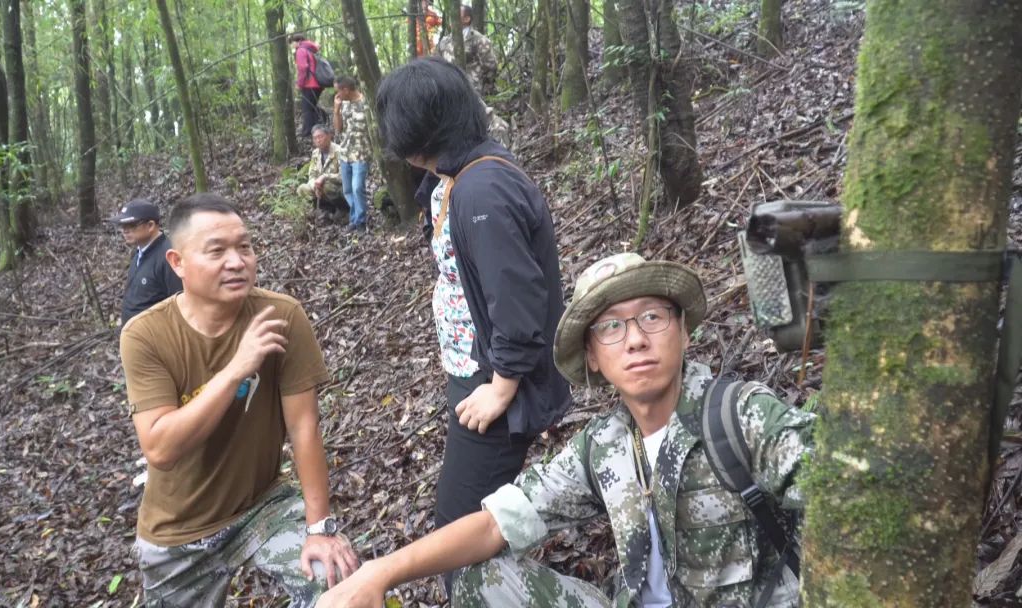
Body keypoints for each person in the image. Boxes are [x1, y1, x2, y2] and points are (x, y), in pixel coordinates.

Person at [316, 252, 816, 608]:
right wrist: (379, 572)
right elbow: (494, 524)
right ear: (593, 357)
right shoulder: (604, 446)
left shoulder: (739, 414)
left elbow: (842, 483)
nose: (636, 340)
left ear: (683, 332)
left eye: (652, 317)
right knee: (481, 576)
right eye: (611, 327)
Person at [374, 57, 571, 591]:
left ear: (415, 130)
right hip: (476, 373)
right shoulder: (456, 178)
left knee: (458, 531)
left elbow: (517, 297)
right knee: (470, 516)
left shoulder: (483, 188)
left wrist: (502, 386)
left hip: (497, 384)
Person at [119, 193, 358, 607]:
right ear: (177, 263)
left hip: (262, 506)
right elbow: (160, 448)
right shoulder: (145, 335)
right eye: (217, 251)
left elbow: (304, 427)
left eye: (244, 247)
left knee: (342, 584)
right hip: (178, 529)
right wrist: (236, 369)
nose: (237, 261)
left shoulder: (281, 316)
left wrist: (320, 528)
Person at [107, 199, 182, 326]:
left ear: (150, 225)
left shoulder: (168, 257)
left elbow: (180, 306)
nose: (125, 230)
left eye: (131, 225)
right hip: (134, 334)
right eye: (122, 226)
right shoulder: (139, 252)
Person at [332, 75, 371, 232]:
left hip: (362, 153)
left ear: (346, 90)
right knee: (347, 190)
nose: (337, 94)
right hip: (345, 153)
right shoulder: (343, 104)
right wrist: (336, 111)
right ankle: (354, 219)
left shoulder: (366, 103)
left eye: (338, 91)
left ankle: (361, 221)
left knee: (357, 187)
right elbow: (338, 129)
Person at [436, 5, 497, 97]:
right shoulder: (445, 41)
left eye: (456, 14)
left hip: (472, 91)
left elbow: (490, 66)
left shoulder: (479, 40)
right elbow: (438, 64)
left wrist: (485, 89)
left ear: (467, 19)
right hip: (449, 91)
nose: (451, 17)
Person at [297, 124, 348, 222]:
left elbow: (344, 176)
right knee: (302, 189)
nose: (318, 140)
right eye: (315, 138)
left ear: (329, 136)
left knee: (327, 185)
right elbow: (312, 174)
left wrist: (325, 177)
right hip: (320, 188)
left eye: (320, 137)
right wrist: (315, 186)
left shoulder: (340, 151)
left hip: (339, 189)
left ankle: (343, 210)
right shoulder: (315, 153)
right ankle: (325, 209)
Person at [291, 33, 326, 140]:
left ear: (297, 41)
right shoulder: (310, 49)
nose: (291, 46)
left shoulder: (301, 50)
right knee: (312, 106)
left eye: (291, 43)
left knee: (307, 109)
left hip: (309, 84)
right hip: (318, 83)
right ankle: (319, 127)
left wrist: (299, 84)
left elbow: (303, 68)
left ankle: (307, 133)